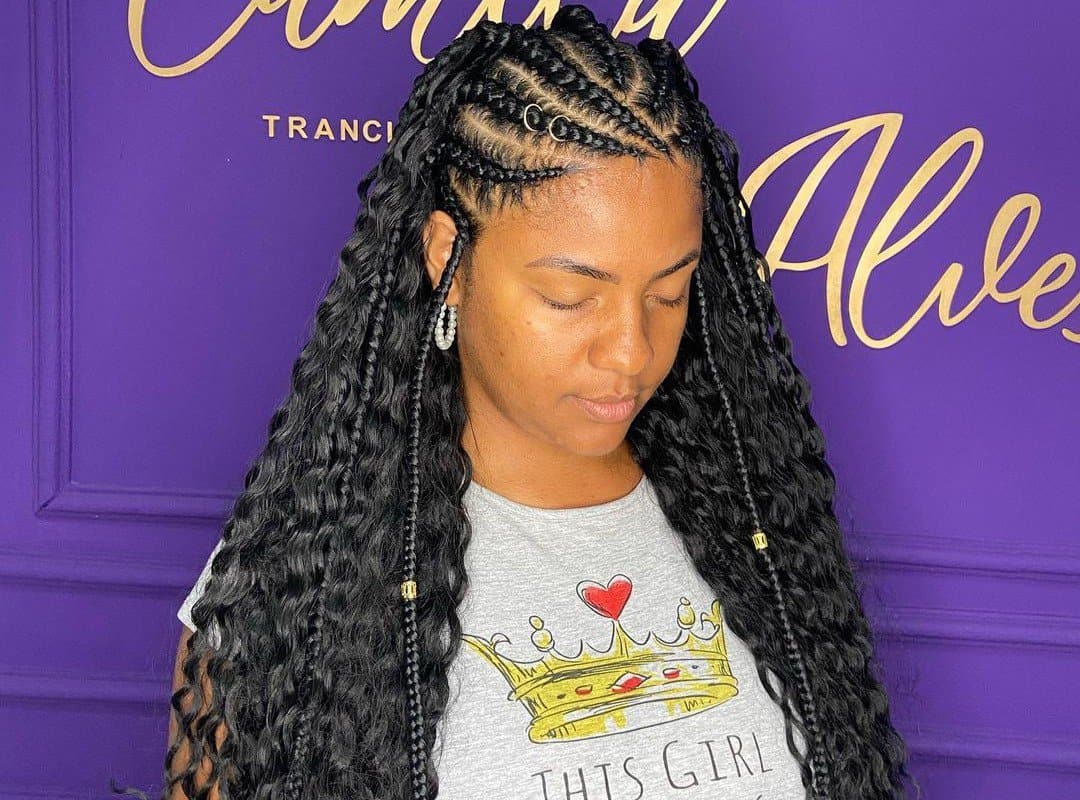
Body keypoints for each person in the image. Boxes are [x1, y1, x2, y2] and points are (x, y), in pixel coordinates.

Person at [113, 6, 919, 800]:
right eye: (572, 297)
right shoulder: (310, 573)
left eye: (670, 294)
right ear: (448, 260)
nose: (633, 352)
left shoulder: (749, 518)